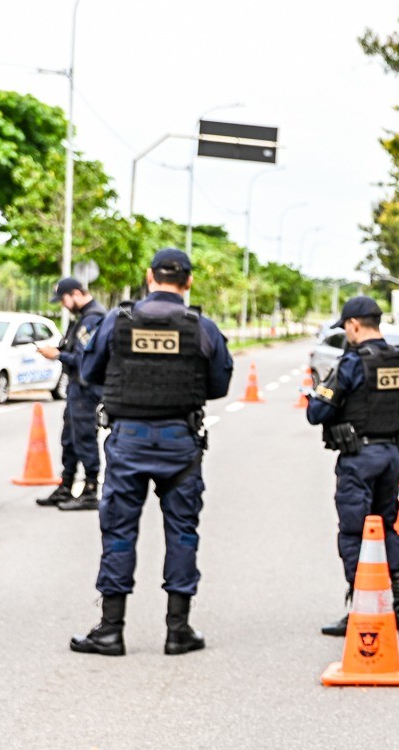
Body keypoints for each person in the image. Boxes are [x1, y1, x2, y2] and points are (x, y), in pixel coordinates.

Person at [69, 248, 233, 657]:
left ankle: (110, 630)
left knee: (119, 531)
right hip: (180, 440)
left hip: (128, 440)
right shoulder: (202, 326)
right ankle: (178, 630)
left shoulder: (116, 321)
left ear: (149, 276)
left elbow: (88, 372)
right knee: (182, 531)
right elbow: (218, 385)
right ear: (189, 281)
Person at [306, 295, 399, 636]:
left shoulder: (353, 362)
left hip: (360, 459)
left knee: (354, 531)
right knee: (386, 525)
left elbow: (317, 413)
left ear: (354, 325)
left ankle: (362, 607)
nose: (347, 335)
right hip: (393, 455)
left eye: (347, 329)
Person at [35, 276, 107, 511]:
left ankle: (89, 489)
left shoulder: (93, 319)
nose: (63, 304)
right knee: (70, 438)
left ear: (76, 293)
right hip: (77, 387)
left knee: (84, 437)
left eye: (64, 299)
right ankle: (66, 484)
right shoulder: (83, 319)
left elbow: (86, 359)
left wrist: (56, 355)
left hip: (87, 388)